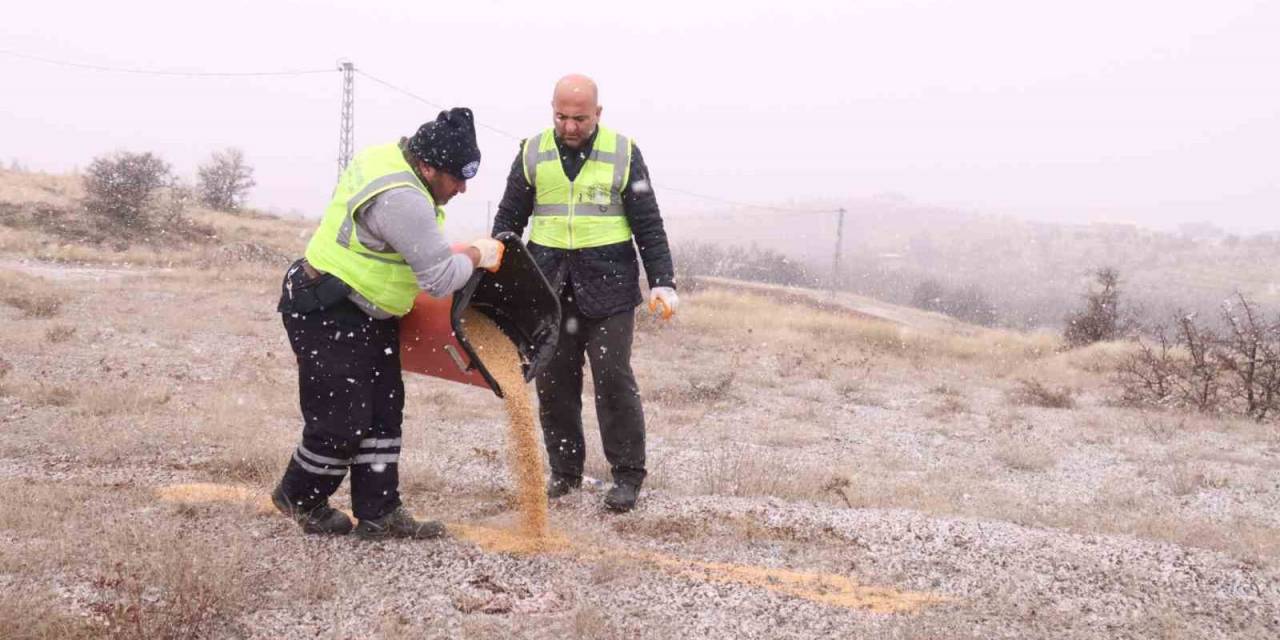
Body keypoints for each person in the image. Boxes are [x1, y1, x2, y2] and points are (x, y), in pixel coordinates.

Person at [272, 108, 505, 539]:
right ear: (428, 166)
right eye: (456, 177)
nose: (463, 188)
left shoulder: (393, 161)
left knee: (383, 412)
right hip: (326, 306)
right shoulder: (402, 198)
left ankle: (380, 512)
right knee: (340, 420)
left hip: (365, 309)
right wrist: (477, 254)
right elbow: (438, 279)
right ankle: (300, 496)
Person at [492, 74, 677, 512]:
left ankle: (628, 476)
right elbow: (508, 222)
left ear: (598, 113)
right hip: (549, 287)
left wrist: (663, 281)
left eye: (579, 118)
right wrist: (498, 281)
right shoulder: (532, 152)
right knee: (554, 383)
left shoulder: (624, 153)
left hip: (609, 288)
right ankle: (565, 472)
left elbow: (648, 224)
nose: (570, 127)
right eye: (561, 117)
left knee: (613, 379)